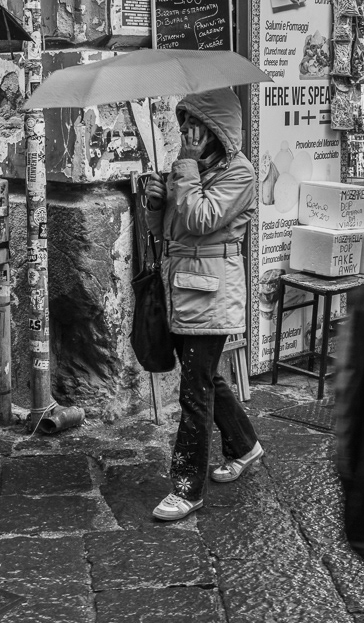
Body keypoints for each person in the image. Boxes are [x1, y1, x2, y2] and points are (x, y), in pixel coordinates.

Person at [143, 87, 264, 521]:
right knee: (206, 378)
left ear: (215, 130)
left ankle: (186, 488)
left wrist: (185, 170)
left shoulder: (240, 173)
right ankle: (245, 445)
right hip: (178, 289)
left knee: (194, 393)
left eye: (194, 126)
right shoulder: (191, 169)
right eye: (182, 125)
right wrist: (156, 203)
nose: (185, 134)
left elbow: (201, 218)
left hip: (211, 293)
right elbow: (170, 229)